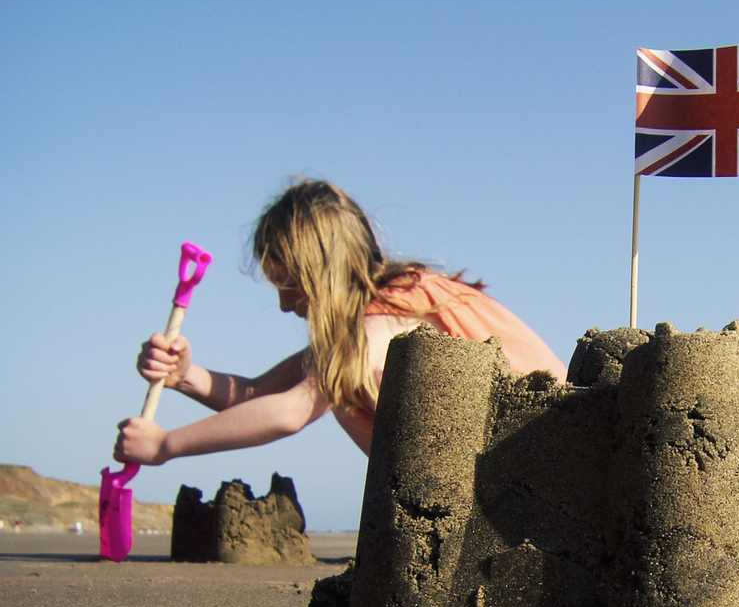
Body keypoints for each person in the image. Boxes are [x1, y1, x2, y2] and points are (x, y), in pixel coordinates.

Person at [113, 180, 566, 466]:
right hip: (524, 462)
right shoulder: (390, 306)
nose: (286, 306)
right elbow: (257, 394)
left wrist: (164, 446)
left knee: (343, 388)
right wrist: (186, 377)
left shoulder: (385, 323)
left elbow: (289, 412)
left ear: (323, 276)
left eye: (290, 286)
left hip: (544, 463)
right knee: (335, 378)